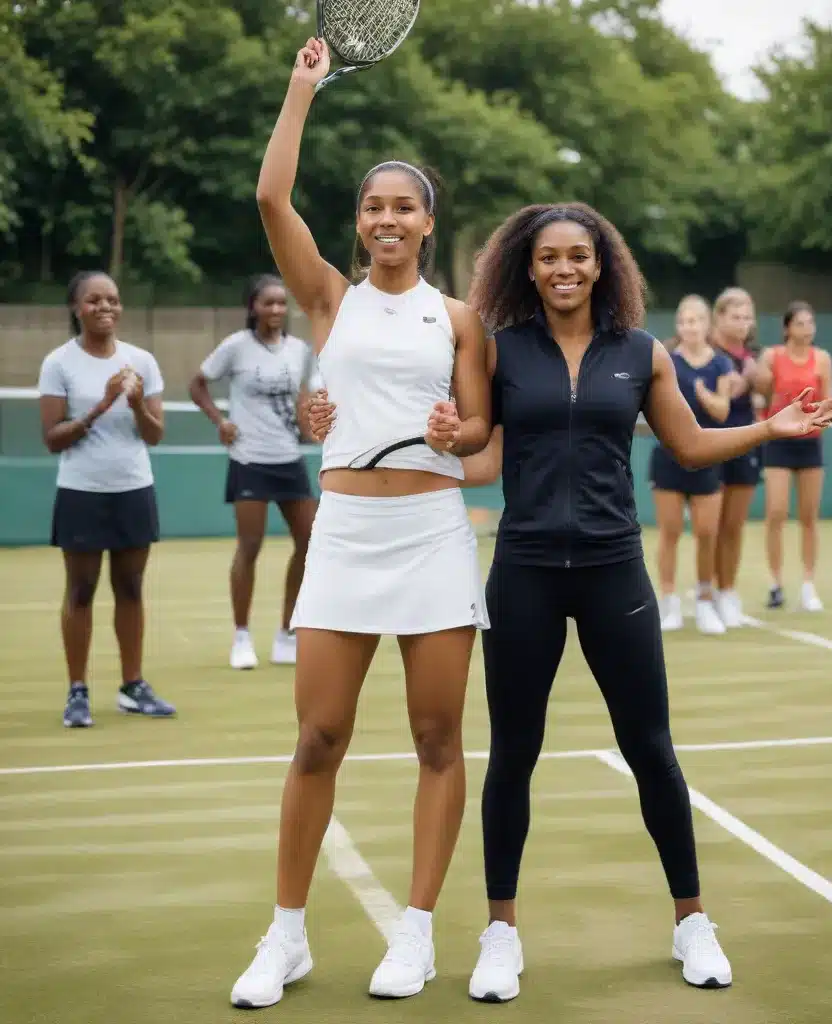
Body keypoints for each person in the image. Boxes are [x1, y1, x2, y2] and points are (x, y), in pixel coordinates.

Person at [311, 201, 832, 1003]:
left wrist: (771, 426)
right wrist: (443, 434)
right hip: (524, 569)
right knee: (512, 757)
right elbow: (480, 456)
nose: (564, 269)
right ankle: (500, 934)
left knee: (651, 750)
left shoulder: (640, 352)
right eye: (549, 257)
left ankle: (692, 922)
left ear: (603, 266)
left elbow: (691, 443)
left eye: (579, 257)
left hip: (612, 572)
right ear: (527, 267)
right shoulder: (501, 353)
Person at [229, 37, 492, 1010]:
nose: (387, 218)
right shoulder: (326, 301)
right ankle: (285, 936)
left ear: (428, 224)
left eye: (404, 206)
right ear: (360, 222)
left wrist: (453, 429)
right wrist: (300, 91)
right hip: (341, 535)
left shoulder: (460, 321)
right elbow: (269, 200)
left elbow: (480, 441)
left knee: (436, 738)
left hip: (431, 538)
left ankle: (416, 932)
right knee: (318, 738)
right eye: (374, 206)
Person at [37, 271, 177, 728]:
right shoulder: (59, 362)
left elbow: (155, 436)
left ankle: (132, 686)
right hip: (81, 491)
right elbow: (53, 439)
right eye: (94, 300)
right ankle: (77, 691)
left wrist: (136, 404)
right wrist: (101, 404)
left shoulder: (142, 361)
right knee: (80, 590)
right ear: (77, 308)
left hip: (132, 488)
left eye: (113, 300)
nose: (106, 308)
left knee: (131, 588)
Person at [189, 274, 319, 670]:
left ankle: (287, 633)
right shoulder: (236, 347)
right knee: (250, 546)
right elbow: (198, 384)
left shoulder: (300, 350)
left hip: (288, 458)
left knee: (310, 543)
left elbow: (307, 399)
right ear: (252, 307)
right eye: (268, 303)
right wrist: (219, 421)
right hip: (249, 459)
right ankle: (241, 636)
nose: (277, 310)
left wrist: (311, 425)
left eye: (282, 303)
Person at [648, 295, 732, 634]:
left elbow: (722, 412)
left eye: (695, 321)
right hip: (668, 458)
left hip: (707, 456)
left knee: (707, 533)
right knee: (669, 533)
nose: (689, 327)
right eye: (683, 322)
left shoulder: (721, 365)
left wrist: (702, 394)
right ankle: (669, 604)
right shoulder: (666, 361)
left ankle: (704, 600)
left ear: (706, 325)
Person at [755, 301, 832, 612]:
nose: (807, 328)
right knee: (776, 513)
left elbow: (828, 399)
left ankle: (809, 586)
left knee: (809, 517)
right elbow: (760, 393)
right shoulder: (771, 357)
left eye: (810, 323)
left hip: (810, 443)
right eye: (800, 323)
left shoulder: (823, 359)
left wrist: (818, 423)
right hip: (778, 441)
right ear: (787, 328)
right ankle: (776, 583)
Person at [710, 287, 761, 628]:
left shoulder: (754, 358)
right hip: (711, 442)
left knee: (733, 525)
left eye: (747, 317)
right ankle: (708, 591)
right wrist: (740, 381)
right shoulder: (705, 353)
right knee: (710, 526)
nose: (742, 323)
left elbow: (766, 393)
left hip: (746, 442)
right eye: (735, 316)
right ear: (720, 317)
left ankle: (727, 592)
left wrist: (761, 379)